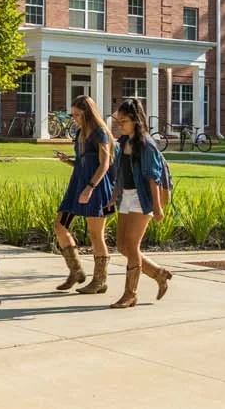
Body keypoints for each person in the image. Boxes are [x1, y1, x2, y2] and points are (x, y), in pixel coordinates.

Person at [108, 98, 171, 309]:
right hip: (125, 197)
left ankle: (130, 294)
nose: (120, 125)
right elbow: (119, 173)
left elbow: (153, 178)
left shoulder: (146, 145)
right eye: (118, 121)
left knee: (132, 245)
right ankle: (158, 274)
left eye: (123, 121)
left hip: (141, 199)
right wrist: (113, 196)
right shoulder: (123, 142)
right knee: (122, 246)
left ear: (135, 120)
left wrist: (157, 207)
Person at [52, 94, 114, 294]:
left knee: (96, 235)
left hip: (95, 187)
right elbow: (83, 162)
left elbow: (104, 164)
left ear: (88, 114)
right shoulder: (80, 132)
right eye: (73, 115)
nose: (75, 118)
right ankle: (76, 271)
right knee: (60, 226)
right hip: (77, 185)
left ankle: (100, 280)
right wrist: (69, 161)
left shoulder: (99, 133)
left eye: (78, 115)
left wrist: (90, 187)